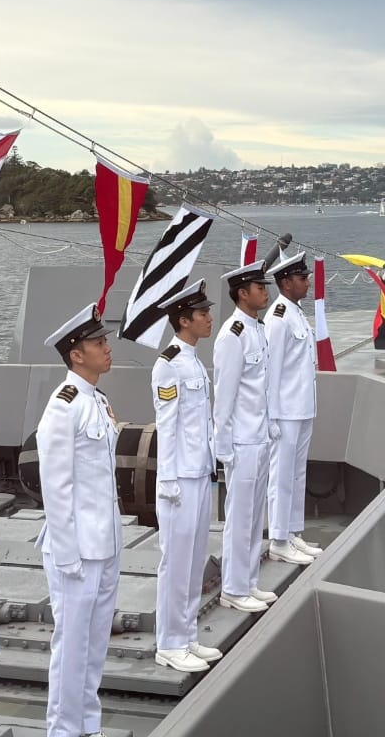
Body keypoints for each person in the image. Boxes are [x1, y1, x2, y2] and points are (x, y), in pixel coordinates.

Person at [123, 278, 221, 674]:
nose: (209, 319)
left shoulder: (193, 359)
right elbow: (168, 424)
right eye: (202, 314)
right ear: (184, 320)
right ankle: (169, 642)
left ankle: (187, 635)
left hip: (199, 473)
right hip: (179, 479)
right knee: (176, 563)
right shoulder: (168, 365)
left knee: (195, 559)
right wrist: (168, 481)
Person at [35, 306, 122, 737]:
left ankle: (88, 724)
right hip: (76, 552)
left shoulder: (98, 401)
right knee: (71, 647)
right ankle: (64, 729)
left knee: (94, 645)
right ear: (76, 354)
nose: (108, 348)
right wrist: (68, 555)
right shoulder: (63, 406)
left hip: (103, 545)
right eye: (98, 343)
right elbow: (57, 487)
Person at [211, 257, 278, 614]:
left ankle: (249, 580)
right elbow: (225, 395)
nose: (265, 292)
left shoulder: (256, 328)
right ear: (242, 293)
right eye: (259, 287)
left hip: (260, 436)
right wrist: (223, 446)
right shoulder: (232, 336)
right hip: (242, 441)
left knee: (255, 516)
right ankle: (234, 588)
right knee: (240, 516)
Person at [264, 251, 322, 564]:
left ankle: (293, 532)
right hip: (284, 411)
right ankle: (278, 538)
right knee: (281, 476)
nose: (307, 282)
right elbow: (271, 372)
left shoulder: (296, 313)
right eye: (302, 278)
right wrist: (271, 416)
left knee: (297, 474)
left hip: (302, 407)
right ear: (286, 283)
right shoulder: (278, 317)